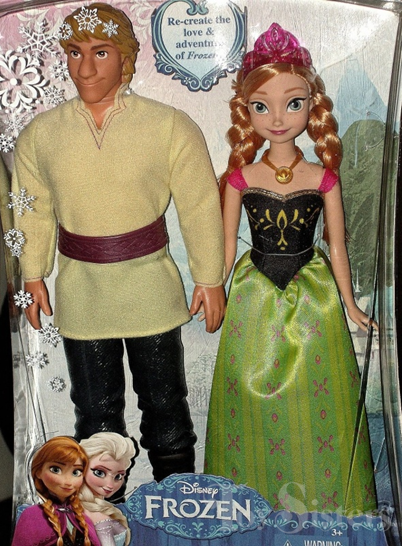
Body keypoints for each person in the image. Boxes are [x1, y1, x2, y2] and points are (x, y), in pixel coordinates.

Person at [11, 3, 225, 481]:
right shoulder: (42, 134)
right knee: (94, 411)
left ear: (126, 57)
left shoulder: (168, 125)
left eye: (101, 52)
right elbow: (32, 207)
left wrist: (209, 277)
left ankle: (176, 493)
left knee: (165, 403)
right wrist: (33, 273)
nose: (85, 69)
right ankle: (99, 506)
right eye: (75, 53)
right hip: (82, 290)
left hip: (149, 285)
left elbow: (198, 204)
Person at [204, 23, 377, 516]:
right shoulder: (241, 177)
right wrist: (211, 285)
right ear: (246, 111)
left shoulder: (322, 177)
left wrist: (350, 304)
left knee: (321, 395)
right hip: (253, 292)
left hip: (314, 293)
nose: (278, 118)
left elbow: (336, 245)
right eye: (262, 106)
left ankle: (329, 508)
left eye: (293, 103)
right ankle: (247, 506)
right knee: (247, 390)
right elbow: (225, 243)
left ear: (311, 107)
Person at [11, 436, 101, 546]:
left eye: (76, 472)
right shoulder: (32, 516)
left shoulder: (83, 519)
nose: (68, 481)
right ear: (39, 471)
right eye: (56, 469)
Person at [79, 432, 136, 546]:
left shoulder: (74, 507)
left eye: (118, 476)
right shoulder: (100, 519)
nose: (110, 485)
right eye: (99, 473)